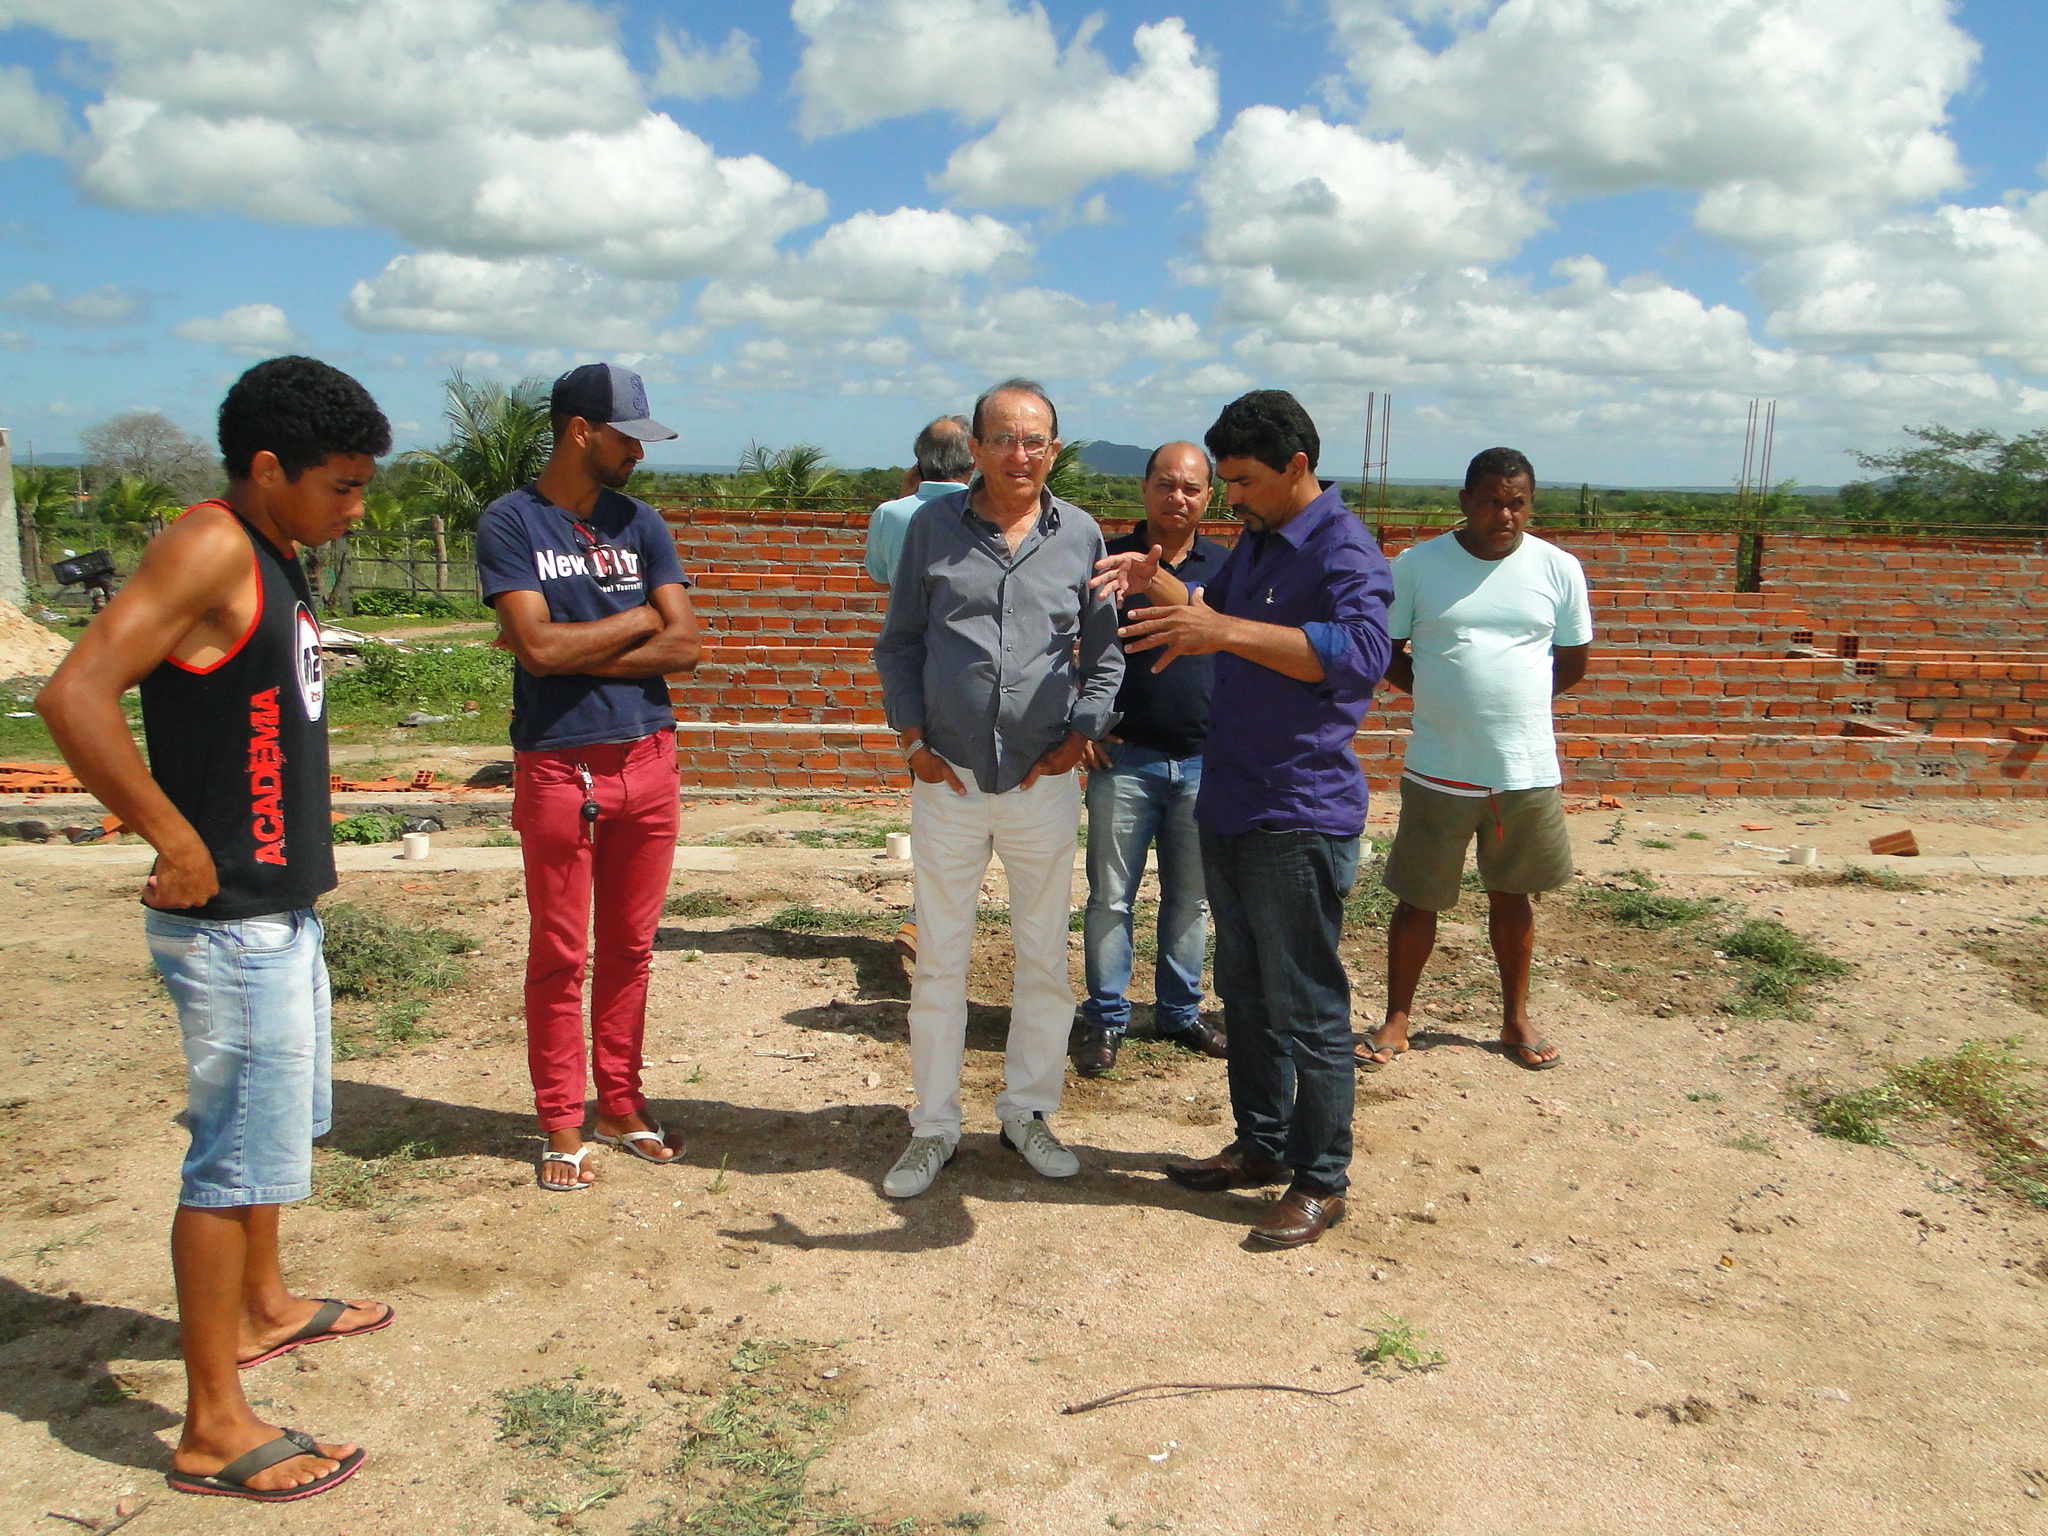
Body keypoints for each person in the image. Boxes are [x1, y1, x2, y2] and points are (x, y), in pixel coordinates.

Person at [38, 356, 393, 1501]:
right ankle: (210, 1427)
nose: (357, 509)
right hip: (229, 915)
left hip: (275, 909)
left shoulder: (273, 549)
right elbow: (74, 693)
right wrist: (170, 838)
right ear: (268, 468)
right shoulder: (209, 545)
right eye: (340, 487)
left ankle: (266, 1305)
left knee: (274, 1134)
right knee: (231, 1152)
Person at [1115, 390, 1392, 1249]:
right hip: (1230, 799)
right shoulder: (1261, 542)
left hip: (1297, 809)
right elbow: (1203, 613)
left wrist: (1226, 629)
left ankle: (1322, 1178)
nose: (1230, 497)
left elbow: (1364, 654)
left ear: (1296, 467)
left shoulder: (1344, 549)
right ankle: (1263, 1146)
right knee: (1246, 995)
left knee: (1306, 1003)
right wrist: (1149, 577)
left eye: (1242, 480)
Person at [871, 377, 1123, 1199]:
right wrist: (912, 740)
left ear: (1055, 449)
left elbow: (1106, 651)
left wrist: (1082, 733)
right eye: (1005, 439)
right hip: (947, 779)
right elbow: (900, 643)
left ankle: (1026, 1112)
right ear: (975, 448)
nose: (1022, 454)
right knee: (940, 960)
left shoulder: (1082, 536)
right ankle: (934, 1126)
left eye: (1037, 440)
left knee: (1044, 959)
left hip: (1041, 785)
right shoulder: (932, 530)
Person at [475, 363, 702, 1192]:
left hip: (648, 758)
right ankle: (560, 1117)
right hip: (557, 764)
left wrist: (584, 647)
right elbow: (535, 648)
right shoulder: (509, 524)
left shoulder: (640, 523)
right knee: (561, 951)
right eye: (627, 436)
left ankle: (622, 1102)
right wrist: (643, 614)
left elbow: (688, 646)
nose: (638, 453)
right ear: (580, 431)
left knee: (632, 949)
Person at [1360, 447, 1591, 1074]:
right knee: (1417, 899)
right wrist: (1441, 690)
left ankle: (1515, 1017)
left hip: (1524, 770)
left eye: (1517, 502)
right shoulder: (1417, 565)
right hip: (1439, 765)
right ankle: (1398, 1017)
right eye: (1491, 500)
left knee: (1513, 898)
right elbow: (1386, 648)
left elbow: (1571, 662)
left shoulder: (1559, 568)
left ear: (1530, 505)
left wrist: (1506, 703)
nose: (1504, 514)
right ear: (1465, 502)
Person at [1071, 441, 1229, 1077]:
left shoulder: (1230, 570)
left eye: (1191, 487)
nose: (1178, 497)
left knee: (1190, 900)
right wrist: (1078, 723)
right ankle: (1106, 1018)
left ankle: (1180, 1012)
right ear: (1145, 488)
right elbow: (1060, 644)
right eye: (1166, 484)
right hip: (1124, 758)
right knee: (1111, 897)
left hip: (1203, 761)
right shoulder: (1106, 560)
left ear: (1208, 497)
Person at [862, 415, 974, 962]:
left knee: (933, 799)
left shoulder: (893, 514)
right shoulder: (986, 514)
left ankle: (927, 920)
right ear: (974, 457)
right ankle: (932, 919)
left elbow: (882, 576)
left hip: (917, 680)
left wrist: (908, 496)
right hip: (976, 681)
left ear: (919, 459)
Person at [864, 415, 973, 586]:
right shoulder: (993, 515)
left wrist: (904, 498)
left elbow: (881, 579)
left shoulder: (887, 514)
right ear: (973, 465)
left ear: (919, 464)